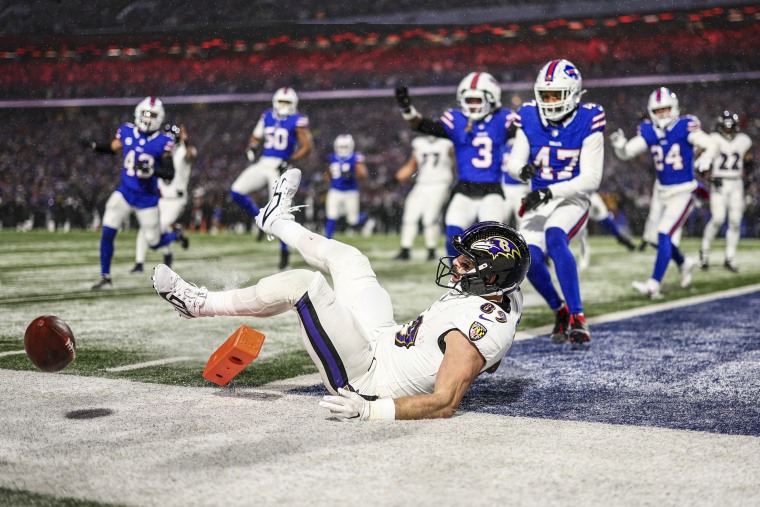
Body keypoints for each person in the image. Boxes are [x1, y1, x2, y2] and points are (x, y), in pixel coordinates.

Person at [153, 168, 530, 421]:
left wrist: (372, 411)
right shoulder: (507, 297)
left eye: (467, 264)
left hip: (368, 378)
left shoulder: (476, 330)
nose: (457, 267)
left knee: (303, 284)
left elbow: (446, 402)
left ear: (492, 277)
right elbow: (491, 361)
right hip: (384, 340)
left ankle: (198, 304)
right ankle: (276, 221)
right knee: (351, 259)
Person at [505, 59, 604, 346]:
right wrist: (521, 170)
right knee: (528, 258)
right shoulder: (529, 116)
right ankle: (559, 310)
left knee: (555, 236)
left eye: (555, 95)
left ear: (573, 93)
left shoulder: (589, 119)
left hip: (572, 198)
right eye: (544, 95)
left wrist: (549, 192)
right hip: (539, 199)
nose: (549, 102)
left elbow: (591, 178)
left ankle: (577, 316)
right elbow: (514, 161)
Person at [610, 87, 718, 299]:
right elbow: (628, 152)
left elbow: (711, 144)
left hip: (684, 191)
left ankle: (653, 284)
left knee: (664, 233)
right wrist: (619, 146)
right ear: (651, 111)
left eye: (666, 109)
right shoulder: (650, 131)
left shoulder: (685, 126)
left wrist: (707, 158)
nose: (663, 114)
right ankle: (683, 262)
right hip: (661, 191)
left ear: (675, 109)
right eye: (658, 110)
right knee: (652, 238)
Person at [395, 72, 512, 258]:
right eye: (469, 100)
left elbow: (526, 135)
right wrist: (407, 109)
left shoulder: (503, 119)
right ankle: (459, 282)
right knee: (452, 237)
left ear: (492, 98)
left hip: (492, 191)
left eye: (477, 100)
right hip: (464, 190)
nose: (472, 105)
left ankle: (494, 284)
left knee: (490, 243)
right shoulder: (457, 119)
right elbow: (422, 126)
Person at [82, 96, 188, 290]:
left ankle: (176, 234)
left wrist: (153, 171)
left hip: (147, 198)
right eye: (146, 113)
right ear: (138, 113)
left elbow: (169, 173)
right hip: (125, 191)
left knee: (154, 243)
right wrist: (95, 146)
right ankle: (105, 277)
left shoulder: (164, 141)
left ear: (160, 117)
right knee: (107, 232)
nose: (148, 118)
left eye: (152, 115)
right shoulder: (126, 131)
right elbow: (113, 148)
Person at [230, 87, 314, 269]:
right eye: (281, 102)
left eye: (287, 102)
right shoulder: (267, 116)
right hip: (264, 162)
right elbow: (255, 137)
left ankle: (284, 251)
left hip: (281, 167)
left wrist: (290, 159)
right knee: (236, 191)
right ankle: (259, 218)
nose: (284, 105)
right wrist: (252, 146)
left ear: (293, 104)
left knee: (279, 213)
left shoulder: (296, 120)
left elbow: (307, 146)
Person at [131, 124, 196, 273]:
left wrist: (186, 141)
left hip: (175, 200)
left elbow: (191, 155)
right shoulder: (159, 153)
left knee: (158, 229)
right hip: (159, 198)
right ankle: (140, 263)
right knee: (147, 227)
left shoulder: (183, 151)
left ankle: (176, 235)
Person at [700, 110, 754, 272]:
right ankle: (704, 252)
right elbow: (701, 162)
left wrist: (748, 179)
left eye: (731, 127)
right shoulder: (713, 139)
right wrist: (709, 177)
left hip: (736, 183)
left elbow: (750, 162)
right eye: (726, 127)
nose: (728, 130)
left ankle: (729, 257)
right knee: (717, 219)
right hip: (720, 182)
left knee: (735, 221)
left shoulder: (744, 140)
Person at [394, 135, 455, 261]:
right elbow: (412, 164)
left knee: (430, 218)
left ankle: (431, 249)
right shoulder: (419, 143)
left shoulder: (447, 143)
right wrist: (396, 178)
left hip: (440, 183)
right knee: (410, 216)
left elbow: (456, 162)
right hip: (421, 184)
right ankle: (405, 248)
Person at [576, 191, 636, 270]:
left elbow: (600, 213)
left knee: (613, 229)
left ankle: (626, 243)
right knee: (582, 236)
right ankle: (583, 260)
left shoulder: (594, 199)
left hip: (595, 210)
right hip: (584, 210)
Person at [324, 134, 368, 239]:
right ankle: (328, 239)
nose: (343, 149)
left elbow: (363, 175)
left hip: (351, 192)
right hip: (335, 190)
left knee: (353, 221)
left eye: (345, 147)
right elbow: (327, 175)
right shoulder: (332, 158)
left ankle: (366, 219)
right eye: (341, 147)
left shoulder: (355, 158)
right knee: (331, 215)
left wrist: (352, 174)